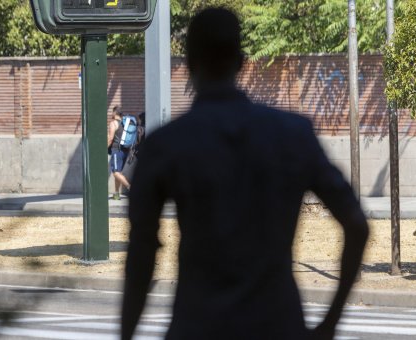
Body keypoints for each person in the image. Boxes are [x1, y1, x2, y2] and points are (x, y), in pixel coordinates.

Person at [121, 7, 369, 340]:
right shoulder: (293, 134)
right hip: (278, 325)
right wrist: (330, 323)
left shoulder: (167, 145)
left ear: (190, 63)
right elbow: (356, 224)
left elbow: (141, 256)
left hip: (198, 327)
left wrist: (126, 335)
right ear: (240, 61)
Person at [108, 106, 131, 200]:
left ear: (115, 113)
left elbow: (110, 138)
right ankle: (117, 194)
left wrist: (104, 148)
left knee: (116, 172)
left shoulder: (113, 123)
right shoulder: (125, 123)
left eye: (112, 112)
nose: (111, 114)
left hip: (117, 150)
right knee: (118, 172)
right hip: (125, 150)